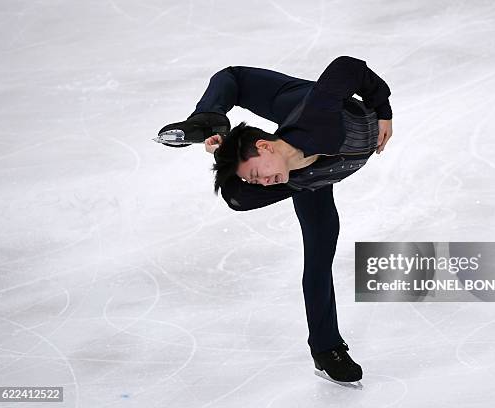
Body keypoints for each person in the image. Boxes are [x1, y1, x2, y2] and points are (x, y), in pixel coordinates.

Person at [155, 56, 393, 386]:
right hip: (311, 177)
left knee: (234, 79)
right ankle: (326, 350)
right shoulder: (286, 180)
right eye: (254, 180)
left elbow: (347, 66)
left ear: (264, 146)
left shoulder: (317, 115)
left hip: (300, 108)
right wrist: (223, 152)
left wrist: (382, 108)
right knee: (319, 263)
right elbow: (237, 198)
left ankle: (208, 118)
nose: (263, 183)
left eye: (256, 174)